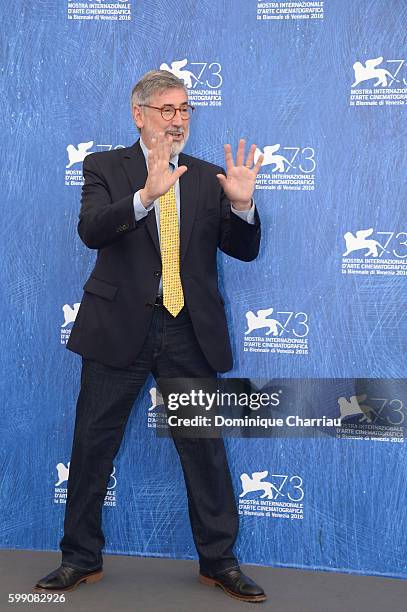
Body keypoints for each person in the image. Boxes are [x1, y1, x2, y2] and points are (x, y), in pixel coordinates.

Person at [35, 70, 266, 603]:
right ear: (138, 114)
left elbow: (244, 249)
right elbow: (92, 229)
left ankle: (219, 562)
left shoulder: (209, 176)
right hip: (119, 327)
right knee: (93, 444)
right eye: (167, 109)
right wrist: (144, 196)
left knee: (204, 450)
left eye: (185, 109)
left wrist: (241, 205)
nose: (179, 118)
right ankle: (79, 558)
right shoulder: (104, 167)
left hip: (188, 329)